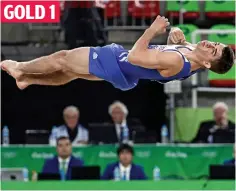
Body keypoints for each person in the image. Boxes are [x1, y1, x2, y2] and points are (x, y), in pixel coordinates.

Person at [1, 15, 234, 91]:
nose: (210, 44)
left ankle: (18, 67)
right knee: (71, 71)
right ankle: (28, 78)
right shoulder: (190, 54)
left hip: (120, 61)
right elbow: (170, 46)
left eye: (213, 51)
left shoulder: (177, 60)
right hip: (127, 76)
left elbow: (135, 56)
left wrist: (151, 30)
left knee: (62, 58)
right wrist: (174, 34)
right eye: (215, 43)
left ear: (207, 65)